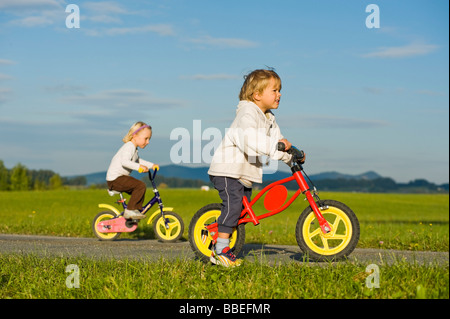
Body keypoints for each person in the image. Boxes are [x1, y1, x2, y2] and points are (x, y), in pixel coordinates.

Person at [208, 69, 293, 267]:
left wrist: (291, 157)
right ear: (257, 95)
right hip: (227, 170)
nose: (279, 94)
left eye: (280, 90)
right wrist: (276, 147)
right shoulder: (247, 114)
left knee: (242, 212)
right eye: (274, 90)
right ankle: (220, 250)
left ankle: (225, 242)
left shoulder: (269, 118)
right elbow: (251, 140)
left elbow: (277, 142)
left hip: (243, 174)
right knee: (234, 205)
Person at [106, 121, 159, 219]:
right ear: (134, 136)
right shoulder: (129, 147)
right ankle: (130, 211)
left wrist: (152, 165)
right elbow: (125, 162)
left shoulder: (134, 149)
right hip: (115, 179)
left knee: (139, 191)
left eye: (149, 139)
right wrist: (138, 167)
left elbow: (138, 160)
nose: (148, 142)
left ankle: (134, 212)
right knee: (140, 186)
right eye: (146, 138)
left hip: (119, 178)